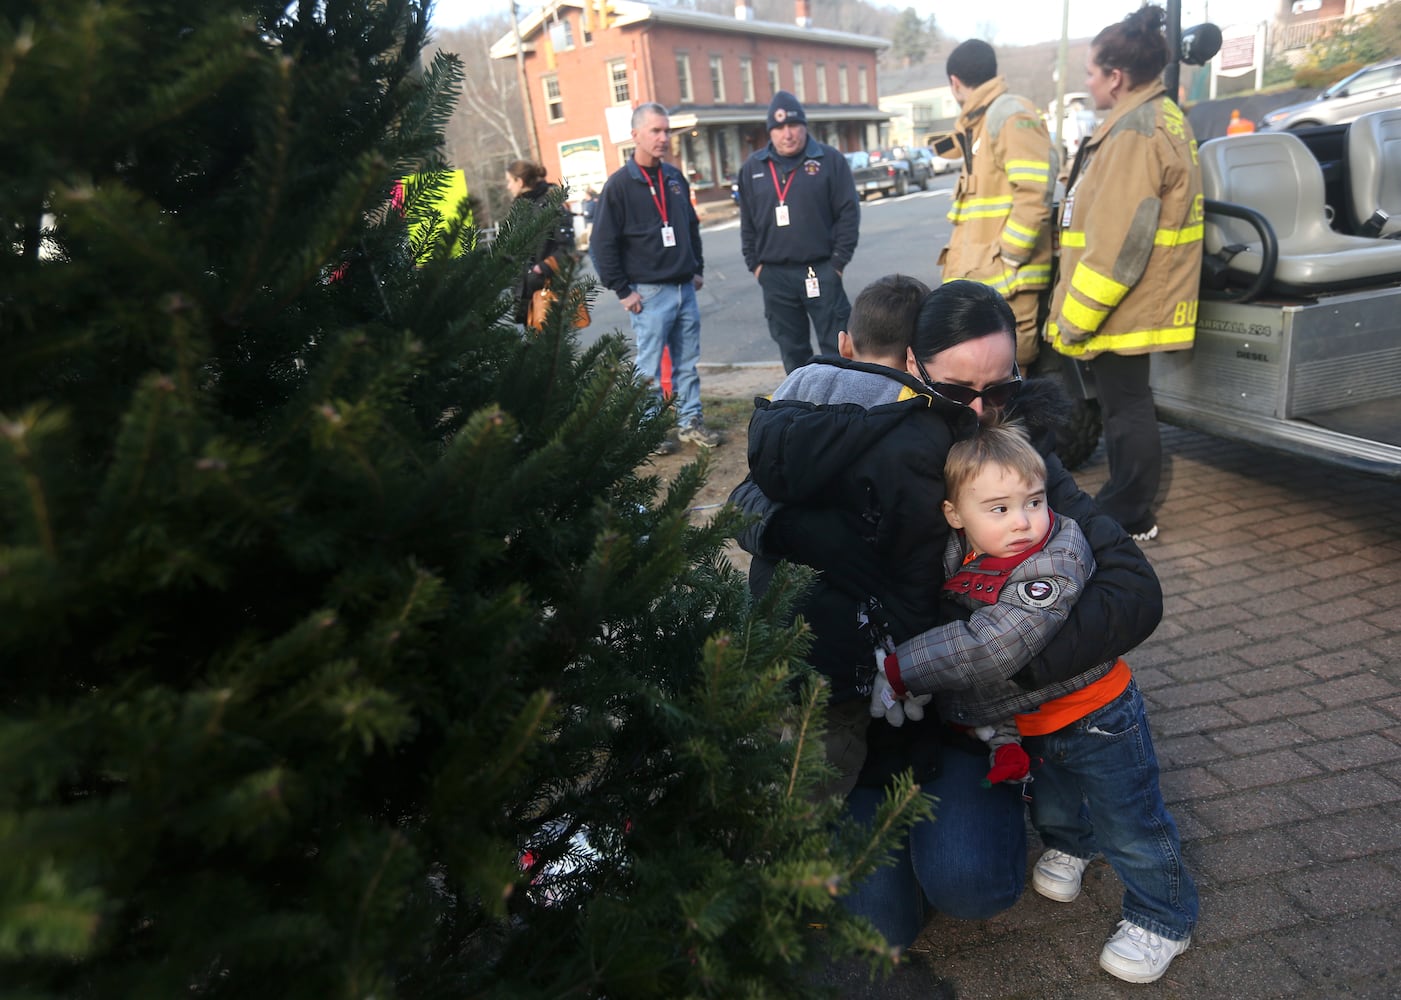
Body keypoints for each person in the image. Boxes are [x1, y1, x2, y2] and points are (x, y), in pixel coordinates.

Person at [731, 280, 1163, 951]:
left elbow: (1132, 589)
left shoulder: (1012, 458)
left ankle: (1006, 798)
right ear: (912, 366)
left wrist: (1004, 665)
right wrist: (789, 530)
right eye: (959, 391)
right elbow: (749, 493)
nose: (983, 410)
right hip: (860, 720)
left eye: (1002, 388)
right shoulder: (871, 435)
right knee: (883, 927)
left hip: (960, 718)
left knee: (973, 886)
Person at [879, 419, 1197, 984]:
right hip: (1034, 721)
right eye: (999, 508)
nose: (1024, 521)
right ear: (956, 515)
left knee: (1131, 822)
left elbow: (994, 644)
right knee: (1051, 800)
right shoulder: (961, 553)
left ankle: (1163, 917)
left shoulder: (1056, 555)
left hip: (1099, 717)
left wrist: (903, 667)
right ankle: (1073, 845)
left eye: (1034, 500)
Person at [739, 274, 940, 799]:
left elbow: (742, 500)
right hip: (845, 657)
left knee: (768, 748)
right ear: (919, 357)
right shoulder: (913, 427)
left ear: (845, 343)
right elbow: (915, 557)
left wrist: (781, 527)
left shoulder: (790, 401)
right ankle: (800, 863)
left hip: (769, 622)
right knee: (819, 773)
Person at [1046, 4, 1204, 543]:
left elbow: (1117, 245)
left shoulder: (1135, 132)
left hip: (1125, 299)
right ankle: (1126, 499)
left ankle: (1131, 510)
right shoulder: (1157, 117)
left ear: (1115, 77)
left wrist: (1074, 319)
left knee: (1126, 406)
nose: (1086, 80)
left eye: (1091, 71)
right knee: (1126, 403)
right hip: (1139, 295)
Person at [591, 103, 719, 452]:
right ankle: (648, 432)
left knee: (688, 364)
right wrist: (622, 290)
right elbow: (601, 243)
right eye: (655, 131)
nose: (663, 138)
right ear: (635, 136)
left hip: (684, 289)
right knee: (648, 367)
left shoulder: (674, 178)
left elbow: (691, 227)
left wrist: (697, 269)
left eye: (667, 131)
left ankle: (689, 422)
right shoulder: (619, 186)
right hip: (647, 294)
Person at [940, 39, 1056, 367]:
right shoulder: (981, 122)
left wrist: (1010, 257)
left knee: (1012, 385)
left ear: (955, 82)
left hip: (1007, 285)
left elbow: (1034, 194)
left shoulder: (1008, 116)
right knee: (991, 383)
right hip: (986, 284)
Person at [737, 90, 861, 373]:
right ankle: (804, 411)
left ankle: (841, 410)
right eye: (779, 128)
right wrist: (755, 266)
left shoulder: (829, 161)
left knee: (838, 349)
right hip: (775, 276)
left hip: (821, 271)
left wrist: (838, 264)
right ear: (770, 131)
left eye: (793, 125)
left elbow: (848, 213)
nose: (787, 134)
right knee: (793, 353)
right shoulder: (753, 168)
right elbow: (748, 223)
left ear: (805, 126)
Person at [505, 159, 577, 330]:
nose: (508, 187)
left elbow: (567, 248)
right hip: (523, 293)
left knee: (549, 348)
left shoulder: (552, 203)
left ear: (520, 182)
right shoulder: (519, 206)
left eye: (509, 181)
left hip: (547, 289)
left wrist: (541, 269)